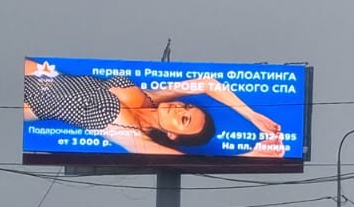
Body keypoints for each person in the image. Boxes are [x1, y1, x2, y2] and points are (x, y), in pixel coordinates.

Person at [23, 59, 285, 157]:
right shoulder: (149, 97)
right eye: (185, 106)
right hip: (35, 70)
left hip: (24, 104)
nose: (177, 108)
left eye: (183, 120)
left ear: (173, 136)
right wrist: (253, 116)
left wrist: (252, 155)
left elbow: (180, 159)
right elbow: (207, 82)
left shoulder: (132, 134)